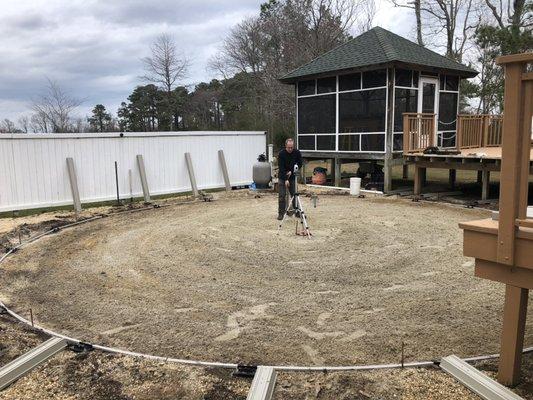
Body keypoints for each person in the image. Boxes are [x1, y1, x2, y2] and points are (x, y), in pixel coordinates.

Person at [277, 138, 302, 220]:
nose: (290, 149)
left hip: (292, 177)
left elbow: (300, 163)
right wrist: (285, 179)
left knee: (295, 195)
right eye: (289, 147)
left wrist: (292, 171)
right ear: (286, 146)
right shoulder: (281, 154)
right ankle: (281, 213)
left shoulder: (297, 153)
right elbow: (281, 167)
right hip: (282, 177)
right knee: (282, 196)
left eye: (292, 147)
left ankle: (297, 211)